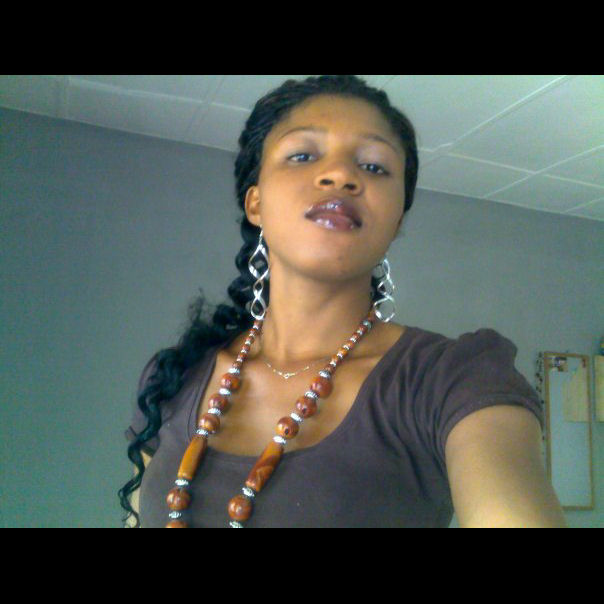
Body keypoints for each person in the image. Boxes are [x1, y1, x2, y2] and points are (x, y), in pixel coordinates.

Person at [120, 75, 566, 528]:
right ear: (255, 203)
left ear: (396, 222)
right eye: (302, 155)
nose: (341, 175)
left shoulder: (454, 379)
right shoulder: (172, 378)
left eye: (374, 166)